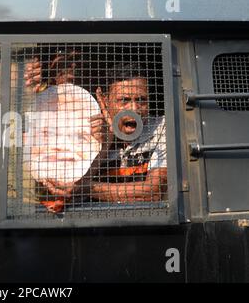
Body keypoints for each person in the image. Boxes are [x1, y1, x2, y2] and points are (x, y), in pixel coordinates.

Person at [25, 55, 167, 211]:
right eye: (124, 100)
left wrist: (88, 188)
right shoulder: (86, 130)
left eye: (141, 100)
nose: (134, 109)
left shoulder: (162, 127)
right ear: (104, 100)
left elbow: (153, 191)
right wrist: (105, 145)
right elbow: (68, 191)